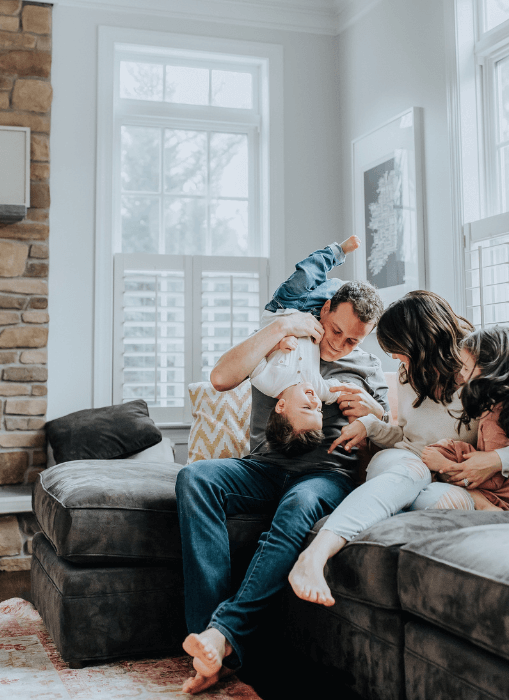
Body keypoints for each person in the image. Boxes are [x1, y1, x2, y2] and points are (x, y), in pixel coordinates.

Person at [175, 252, 389, 693]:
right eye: (336, 332)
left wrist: (372, 415)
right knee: (195, 479)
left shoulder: (367, 367)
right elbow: (219, 378)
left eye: (354, 341)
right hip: (264, 467)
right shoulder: (285, 340)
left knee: (299, 503)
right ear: (324, 310)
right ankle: (209, 643)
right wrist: (278, 328)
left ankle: (222, 635)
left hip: (325, 475)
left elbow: (389, 435)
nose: (341, 345)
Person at [288, 291, 509, 608]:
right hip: (405, 459)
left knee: (435, 500)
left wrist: (491, 460)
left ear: (422, 342)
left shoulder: (480, 366)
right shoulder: (408, 374)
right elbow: (405, 435)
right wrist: (370, 425)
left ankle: (359, 541)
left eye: (398, 350)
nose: (395, 359)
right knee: (411, 471)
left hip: (450, 478)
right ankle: (315, 555)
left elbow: (492, 441)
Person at [251, 236, 360, 454]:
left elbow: (254, 351)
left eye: (305, 407)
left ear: (281, 407)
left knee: (308, 272)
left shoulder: (267, 382)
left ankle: (337, 251)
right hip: (313, 316)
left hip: (285, 306)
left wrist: (276, 345)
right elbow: (342, 392)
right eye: (318, 410)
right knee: (340, 290)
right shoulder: (318, 389)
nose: (314, 401)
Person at [422, 326, 509, 511]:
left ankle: (485, 505)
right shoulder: (492, 406)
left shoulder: (497, 415)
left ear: (490, 369)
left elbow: (494, 478)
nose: (461, 374)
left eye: (467, 367)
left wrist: (446, 465)